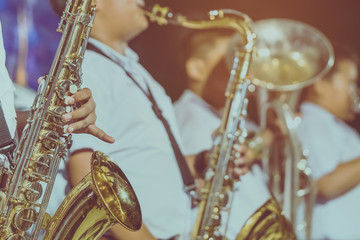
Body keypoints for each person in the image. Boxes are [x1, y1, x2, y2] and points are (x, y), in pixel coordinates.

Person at [49, 0, 249, 239]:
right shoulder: (89, 68)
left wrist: (201, 162)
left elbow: (142, 155)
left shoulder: (134, 71)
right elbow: (85, 170)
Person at [174, 29, 271, 238]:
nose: (244, 71)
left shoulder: (224, 116)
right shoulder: (190, 118)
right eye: (229, 60)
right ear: (197, 68)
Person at [297, 43, 360, 239]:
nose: (355, 91)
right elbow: (324, 185)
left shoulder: (334, 125)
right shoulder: (312, 122)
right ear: (320, 84)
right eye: (351, 82)